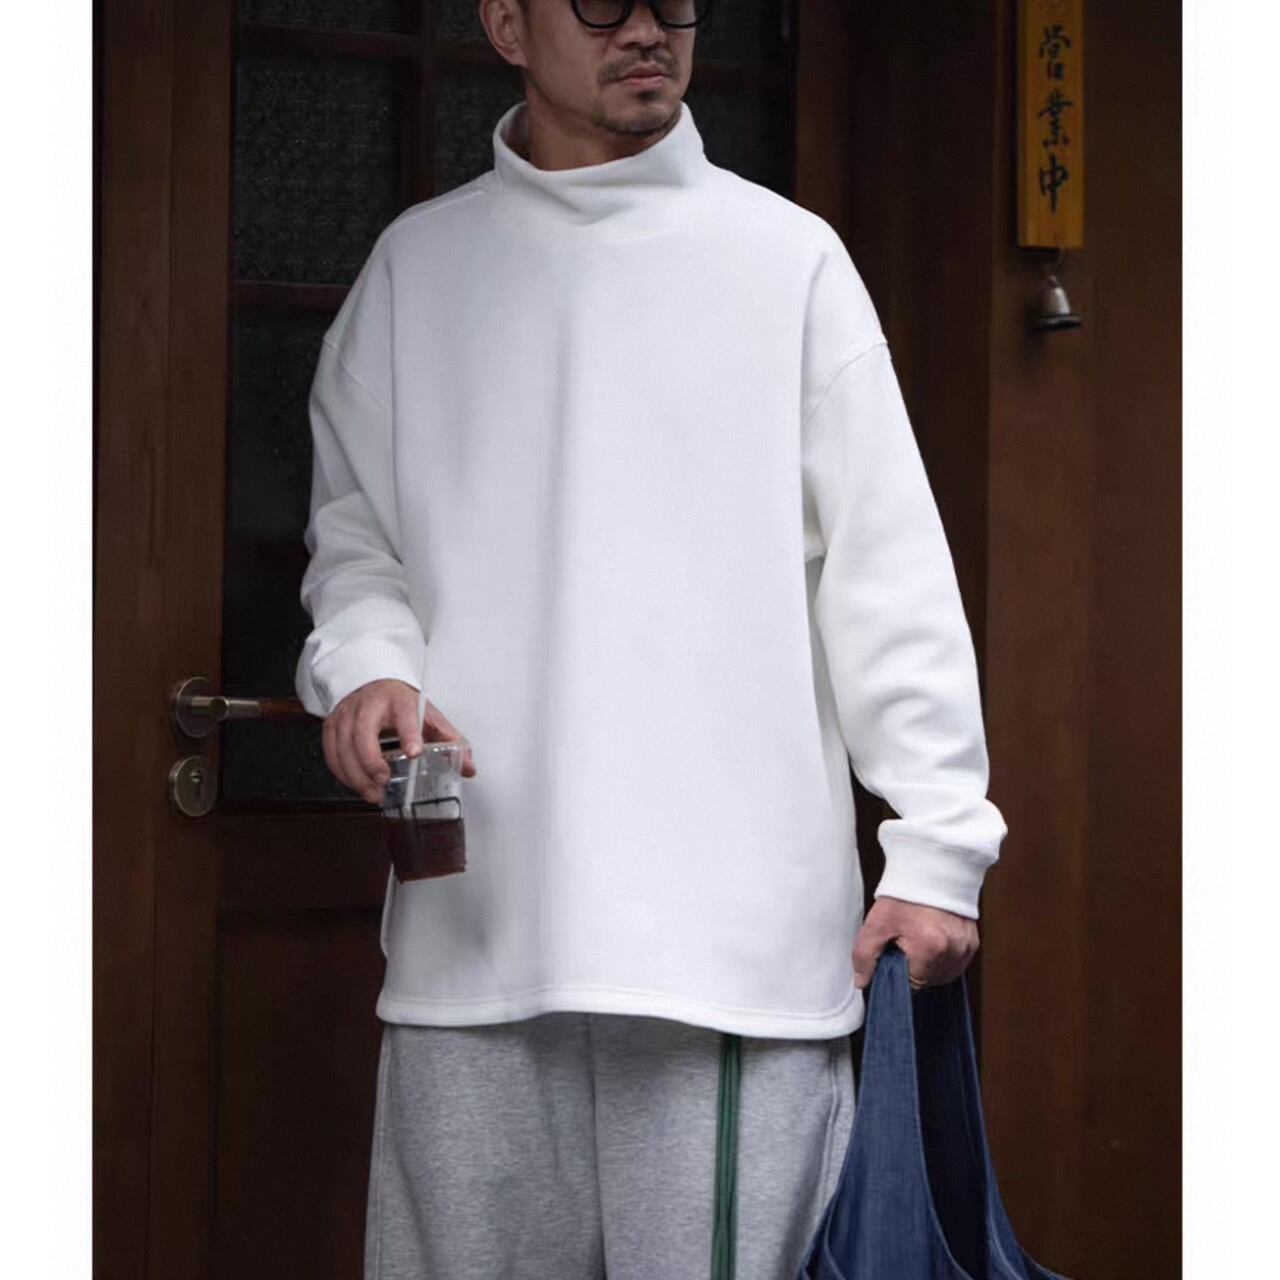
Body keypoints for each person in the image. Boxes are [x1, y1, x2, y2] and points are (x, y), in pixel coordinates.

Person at [293, 2, 1009, 1276]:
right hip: (473, 937)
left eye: (670, 1)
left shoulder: (784, 260)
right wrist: (368, 666)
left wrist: (938, 845)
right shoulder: (417, 267)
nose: (646, 29)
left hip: (722, 958)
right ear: (505, 23)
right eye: (600, 3)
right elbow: (357, 537)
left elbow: (886, 571)